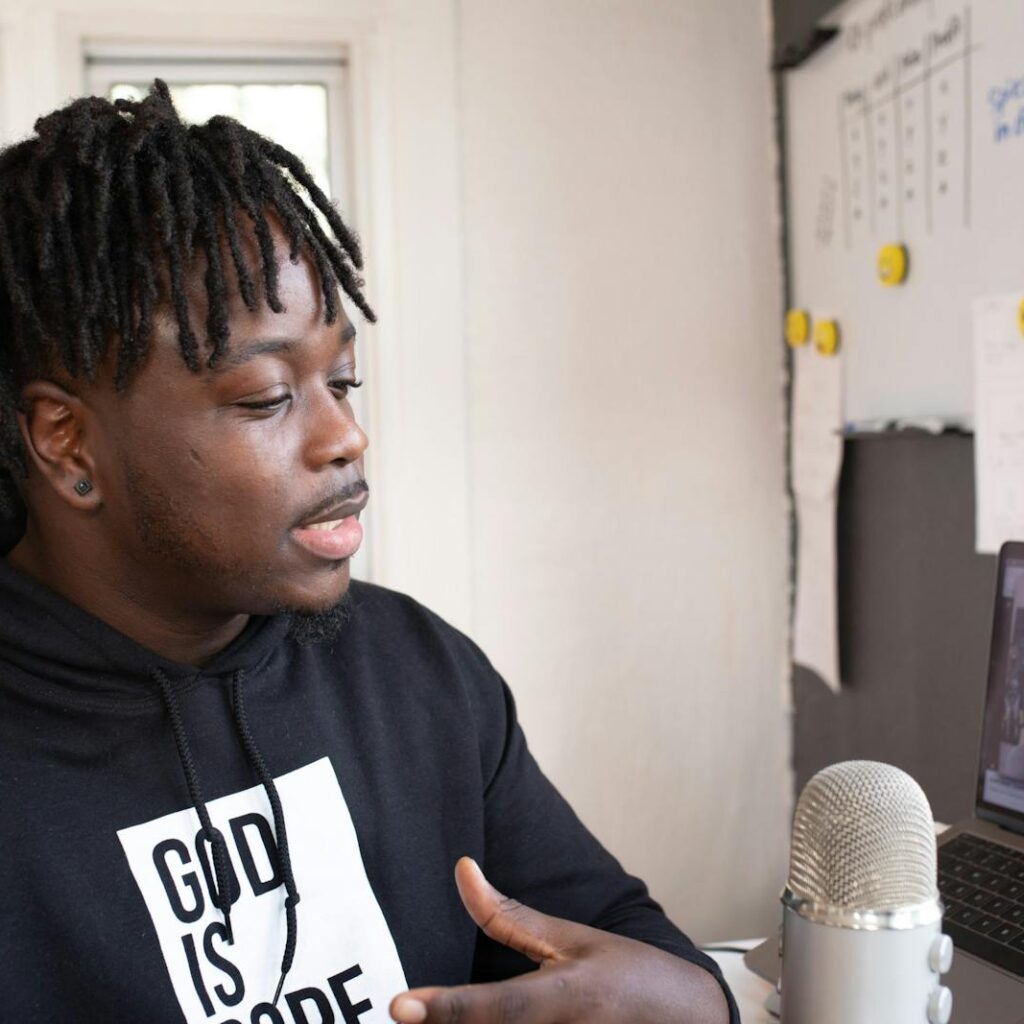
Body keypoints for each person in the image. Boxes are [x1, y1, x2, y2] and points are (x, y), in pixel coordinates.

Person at [0, 81, 737, 1024]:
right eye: (267, 397)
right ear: (67, 442)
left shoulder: (417, 673)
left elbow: (627, 957)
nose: (344, 435)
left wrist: (698, 1004)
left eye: (342, 379)